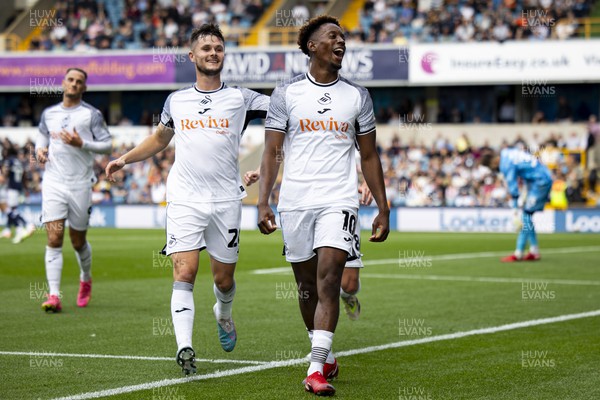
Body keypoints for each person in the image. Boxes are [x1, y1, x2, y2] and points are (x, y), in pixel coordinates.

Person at [105, 24, 269, 375]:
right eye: (206, 48)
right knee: (184, 270)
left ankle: (223, 314)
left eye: (219, 48)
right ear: (192, 56)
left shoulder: (243, 98)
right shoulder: (176, 101)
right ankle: (185, 348)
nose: (213, 53)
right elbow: (160, 139)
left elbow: (285, 113)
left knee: (223, 280)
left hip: (226, 199)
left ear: (224, 55)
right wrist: (124, 159)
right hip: (184, 198)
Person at [256, 15, 389, 396]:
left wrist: (383, 206)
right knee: (305, 287)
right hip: (295, 202)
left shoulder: (358, 96)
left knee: (330, 278)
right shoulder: (286, 94)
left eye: (343, 36)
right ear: (312, 46)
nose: (341, 41)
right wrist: (263, 201)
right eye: (333, 36)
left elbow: (369, 155)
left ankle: (314, 369)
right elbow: (271, 152)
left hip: (339, 200)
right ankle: (325, 353)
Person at [244, 169, 372, 321]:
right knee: (309, 282)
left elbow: (367, 155)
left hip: (341, 202)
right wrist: (260, 171)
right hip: (302, 203)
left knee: (350, 285)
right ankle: (318, 338)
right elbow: (281, 149)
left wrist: (366, 182)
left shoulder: (347, 144)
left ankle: (345, 296)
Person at [35, 68, 112, 313]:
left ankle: (85, 278)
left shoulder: (91, 115)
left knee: (78, 242)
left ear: (84, 88)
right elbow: (41, 136)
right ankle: (54, 295)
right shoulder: (49, 114)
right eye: (71, 80)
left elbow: (108, 145)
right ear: (63, 83)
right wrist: (40, 150)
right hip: (54, 183)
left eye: (79, 82)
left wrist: (82, 143)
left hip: (80, 185)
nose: (74, 84)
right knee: (54, 238)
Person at [482, 144, 553, 262]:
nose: (496, 169)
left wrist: (514, 210)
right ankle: (533, 250)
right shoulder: (507, 152)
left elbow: (513, 188)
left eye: (493, 167)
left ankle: (519, 253)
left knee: (525, 216)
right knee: (527, 217)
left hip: (539, 181)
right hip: (538, 178)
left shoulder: (505, 163)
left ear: (494, 162)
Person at [2, 145, 35, 243]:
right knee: (12, 210)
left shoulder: (9, 161)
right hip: (18, 188)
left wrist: (4, 177)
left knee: (10, 210)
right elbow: (24, 174)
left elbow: (5, 173)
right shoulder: (19, 162)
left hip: (11, 187)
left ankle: (27, 224)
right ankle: (14, 230)